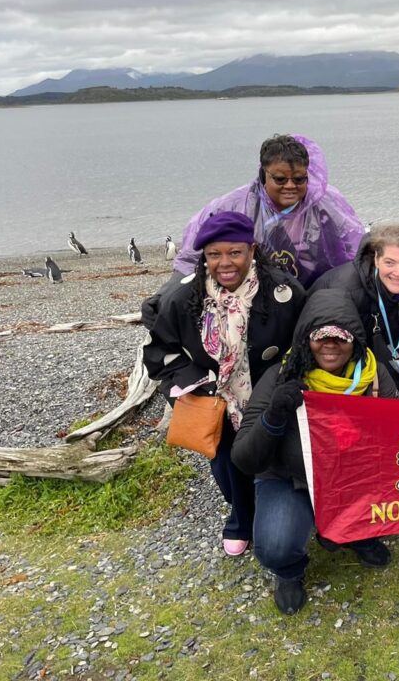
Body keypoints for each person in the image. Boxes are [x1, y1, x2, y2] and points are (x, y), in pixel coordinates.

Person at [143, 211, 305, 556]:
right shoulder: (182, 300)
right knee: (224, 463)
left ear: (252, 249)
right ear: (204, 256)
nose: (225, 263)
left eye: (235, 252)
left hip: (265, 398)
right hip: (212, 398)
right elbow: (160, 356)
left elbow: (301, 347)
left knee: (268, 458)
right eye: (214, 254)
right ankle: (240, 515)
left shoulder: (284, 292)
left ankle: (273, 509)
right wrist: (192, 390)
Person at [232, 289, 398, 615]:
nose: (330, 344)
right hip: (291, 477)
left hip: (349, 477)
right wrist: (274, 418)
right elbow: (244, 458)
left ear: (357, 340)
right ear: (306, 338)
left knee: (393, 500)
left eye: (341, 336)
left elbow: (398, 439)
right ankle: (289, 571)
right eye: (320, 335)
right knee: (276, 546)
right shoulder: (282, 376)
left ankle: (352, 533)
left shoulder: (374, 377)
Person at [142, 134, 362, 329]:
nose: (290, 186)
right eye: (280, 179)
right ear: (263, 173)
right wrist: (166, 294)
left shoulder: (326, 202)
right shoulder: (235, 205)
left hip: (316, 292)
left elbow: (356, 246)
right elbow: (192, 255)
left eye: (299, 179)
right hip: (257, 297)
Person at [311, 225, 399, 398]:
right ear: (376, 259)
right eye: (389, 263)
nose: (398, 272)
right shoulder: (344, 290)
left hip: (384, 360)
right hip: (337, 367)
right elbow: (328, 350)